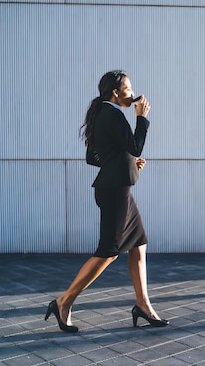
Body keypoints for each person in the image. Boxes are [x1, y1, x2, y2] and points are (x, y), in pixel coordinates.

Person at [45, 70, 168, 332]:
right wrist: (142, 118)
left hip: (117, 188)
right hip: (115, 192)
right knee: (109, 251)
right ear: (116, 92)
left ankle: (143, 305)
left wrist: (128, 166)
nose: (132, 92)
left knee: (138, 243)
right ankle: (63, 302)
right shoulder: (113, 114)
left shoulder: (103, 113)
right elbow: (135, 146)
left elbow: (95, 157)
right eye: (128, 88)